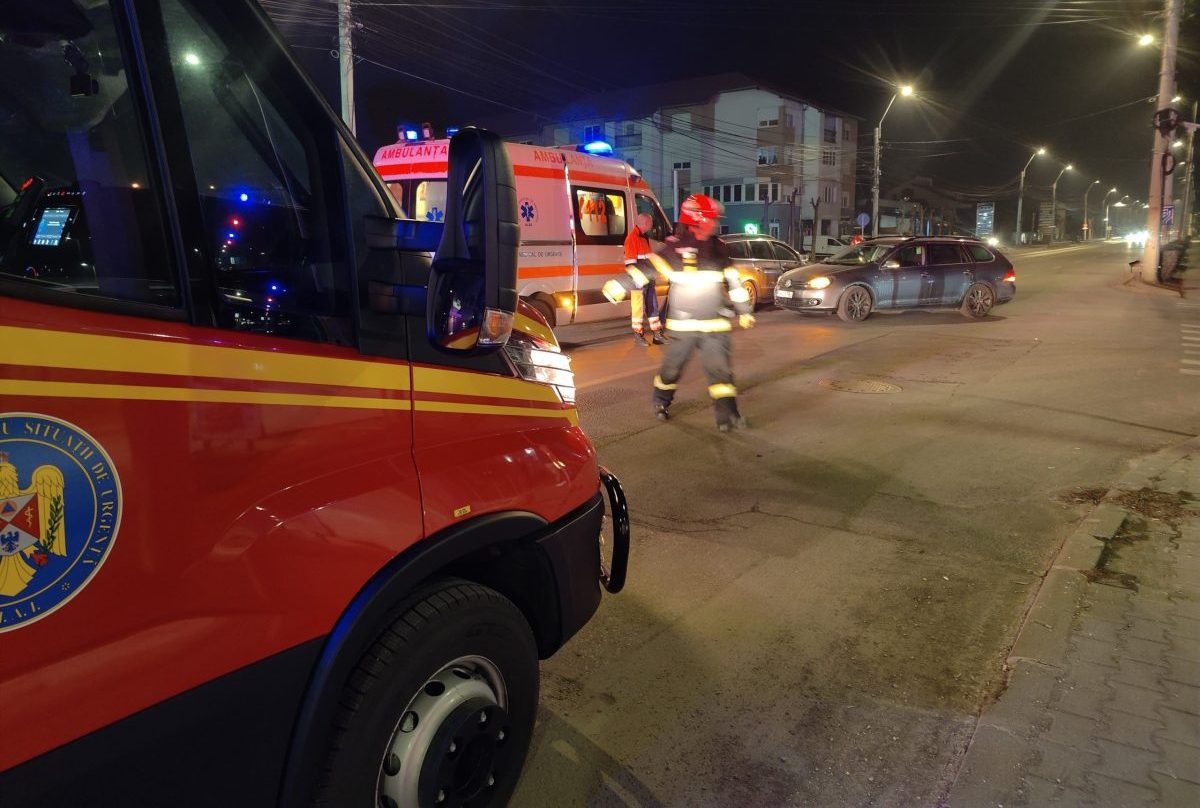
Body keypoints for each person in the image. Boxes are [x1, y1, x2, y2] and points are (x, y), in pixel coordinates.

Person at [603, 194, 754, 432]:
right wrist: (620, 284)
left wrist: (744, 310)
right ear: (697, 219)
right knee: (671, 369)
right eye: (711, 219)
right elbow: (648, 269)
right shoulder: (676, 248)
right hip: (684, 326)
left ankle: (729, 418)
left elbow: (734, 282)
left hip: (715, 325)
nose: (715, 224)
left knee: (721, 374)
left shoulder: (719, 249)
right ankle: (661, 402)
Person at [623, 212, 664, 346]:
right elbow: (630, 264)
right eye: (651, 223)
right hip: (638, 281)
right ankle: (638, 336)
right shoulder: (632, 238)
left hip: (648, 278)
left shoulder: (644, 237)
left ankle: (657, 334)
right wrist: (639, 280)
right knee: (638, 309)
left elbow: (647, 258)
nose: (652, 225)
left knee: (653, 306)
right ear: (646, 223)